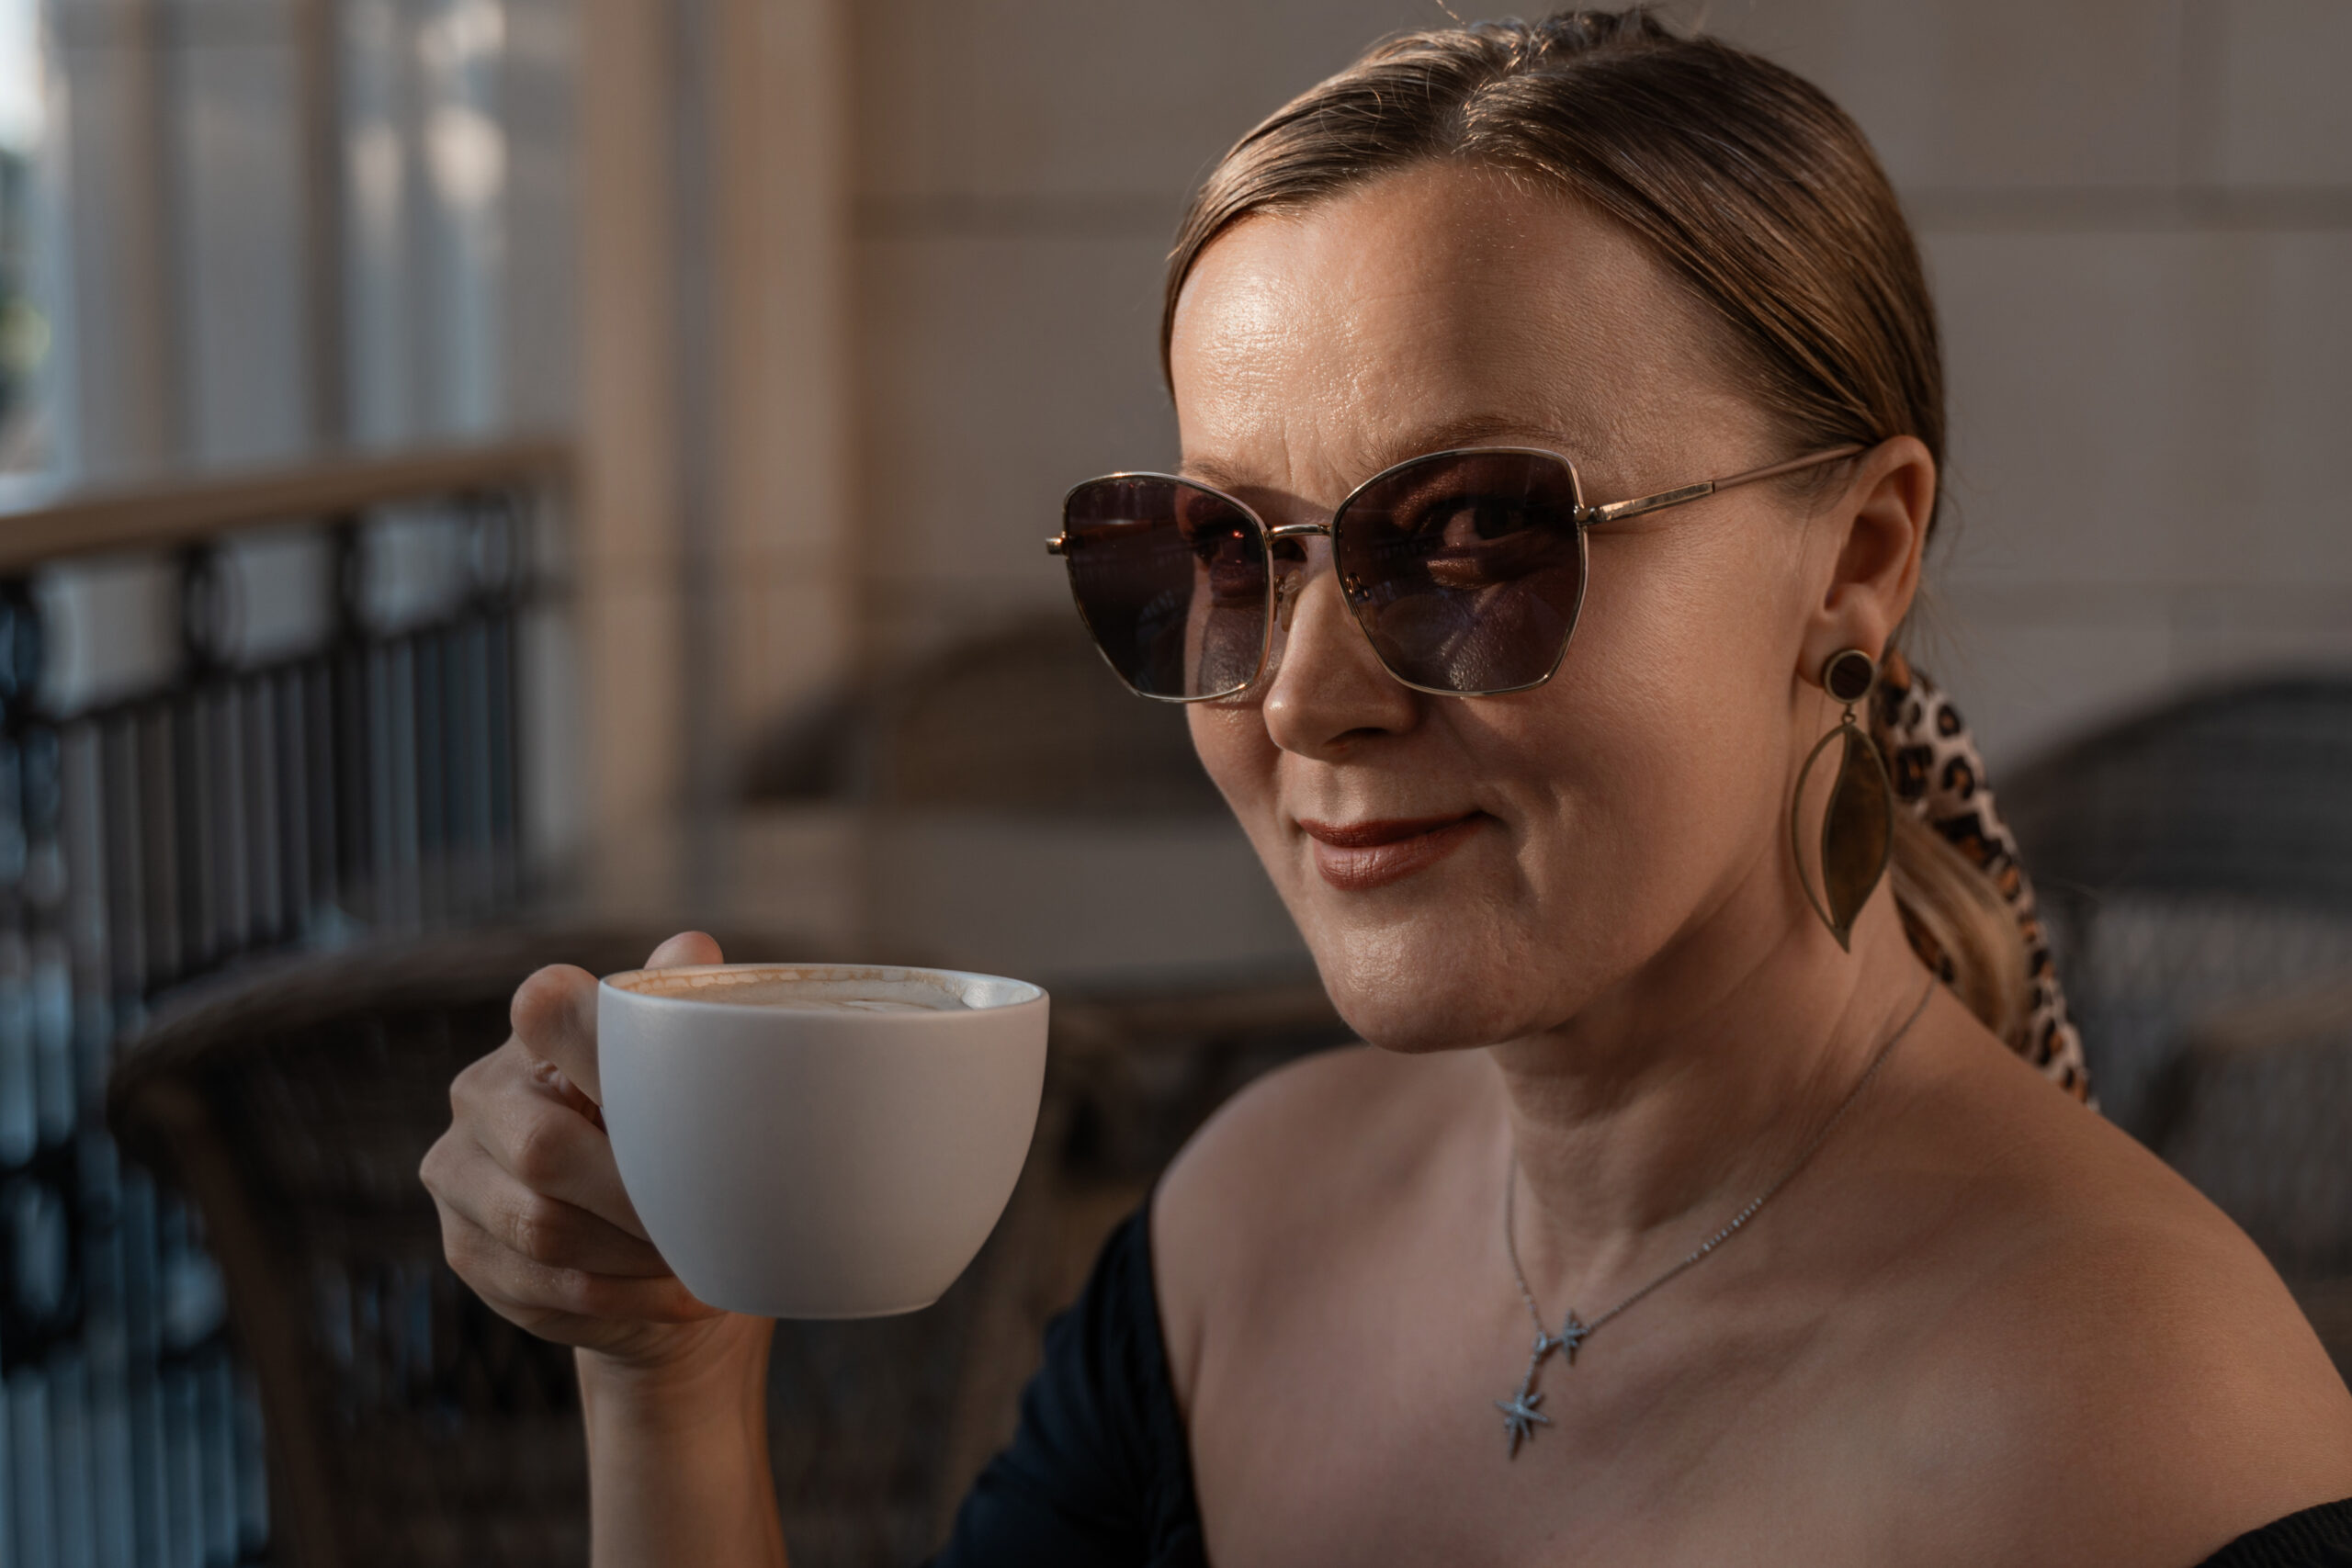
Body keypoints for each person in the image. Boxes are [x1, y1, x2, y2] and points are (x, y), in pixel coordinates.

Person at [422, 11, 2352, 1564]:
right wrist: (664, 1374)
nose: (1300, 694)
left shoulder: (2150, 1435)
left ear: (1851, 558)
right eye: (1219, 552)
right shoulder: (1229, 1235)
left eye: (1469, 539)